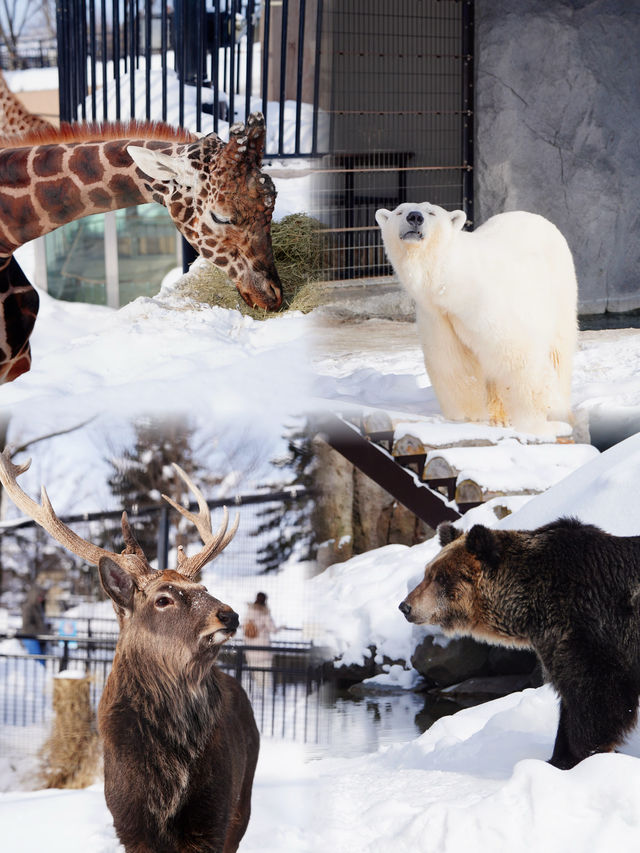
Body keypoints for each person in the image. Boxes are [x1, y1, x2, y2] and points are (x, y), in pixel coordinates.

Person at [243, 592, 277, 676]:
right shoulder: (265, 613)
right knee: (264, 676)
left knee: (253, 673)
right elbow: (273, 629)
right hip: (262, 649)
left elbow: (244, 625)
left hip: (250, 647)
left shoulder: (250, 611)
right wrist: (281, 628)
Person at [21, 583, 47, 657]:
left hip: (39, 638)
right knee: (37, 661)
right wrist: (40, 631)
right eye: (40, 596)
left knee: (42, 660)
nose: (42, 598)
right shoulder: (28, 607)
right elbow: (27, 625)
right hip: (30, 638)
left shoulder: (39, 606)